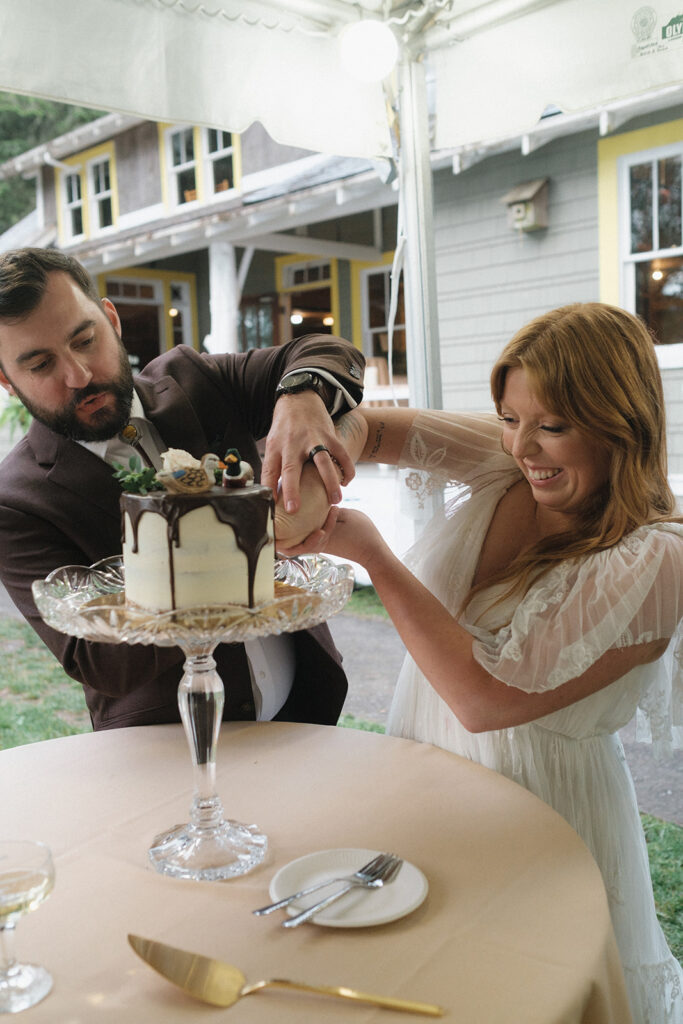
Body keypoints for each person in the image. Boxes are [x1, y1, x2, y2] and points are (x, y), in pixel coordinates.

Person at [282, 302, 683, 1023]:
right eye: (508, 417)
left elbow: (485, 698)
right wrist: (308, 430)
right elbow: (368, 430)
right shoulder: (515, 463)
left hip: (540, 809)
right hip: (427, 773)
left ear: (619, 421)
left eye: (552, 425)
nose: (523, 447)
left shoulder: (656, 557)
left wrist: (372, 552)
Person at [0, 247, 365, 731]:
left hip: (306, 711)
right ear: (6, 380)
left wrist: (300, 395)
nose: (79, 375)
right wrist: (241, 557)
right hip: (165, 751)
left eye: (85, 339)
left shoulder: (195, 381)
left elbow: (329, 350)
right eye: (42, 364)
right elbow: (99, 660)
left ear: (111, 319)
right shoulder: (16, 502)